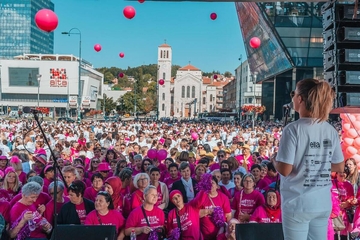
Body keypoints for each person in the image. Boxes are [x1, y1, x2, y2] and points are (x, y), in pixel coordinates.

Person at [271, 78, 344, 240]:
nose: (292, 98)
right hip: (322, 203)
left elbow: (285, 169)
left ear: (300, 99)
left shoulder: (293, 129)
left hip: (298, 203)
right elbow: (339, 166)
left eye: (294, 94)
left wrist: (274, 159)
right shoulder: (329, 129)